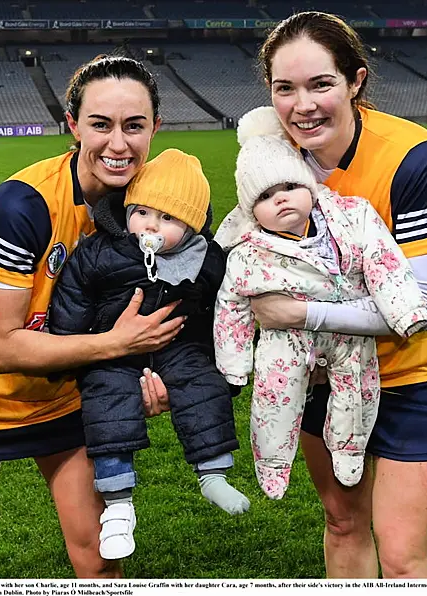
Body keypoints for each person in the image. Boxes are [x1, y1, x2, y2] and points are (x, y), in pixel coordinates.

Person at [0, 55, 180, 578]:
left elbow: (169, 311)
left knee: (100, 560)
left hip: (65, 397)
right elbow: (1, 348)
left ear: (155, 126)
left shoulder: (157, 208)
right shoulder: (24, 204)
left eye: (134, 126)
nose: (118, 143)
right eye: (100, 124)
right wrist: (118, 346)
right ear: (73, 125)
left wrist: (156, 379)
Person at [253, 11, 427, 578]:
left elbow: (423, 307)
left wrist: (301, 315)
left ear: (356, 81)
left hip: (413, 376)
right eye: (285, 88)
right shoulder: (270, 163)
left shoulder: (415, 158)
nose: (303, 105)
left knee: (401, 557)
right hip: (326, 376)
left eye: (321, 84)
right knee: (344, 524)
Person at [213, 107, 427, 498]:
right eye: (265, 196)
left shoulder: (352, 218)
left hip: (347, 335)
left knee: (357, 391)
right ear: (249, 211)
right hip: (288, 341)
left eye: (289, 188)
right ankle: (273, 464)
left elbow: (384, 261)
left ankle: (349, 450)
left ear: (308, 187)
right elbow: (231, 308)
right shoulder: (248, 253)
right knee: (274, 397)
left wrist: (404, 309)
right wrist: (234, 362)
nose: (280, 200)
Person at [49, 148, 250, 560]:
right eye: (142, 211)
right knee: (107, 398)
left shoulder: (207, 258)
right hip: (112, 349)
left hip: (179, 346)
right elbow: (73, 296)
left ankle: (213, 473)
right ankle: (118, 501)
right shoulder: (101, 251)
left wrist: (228, 361)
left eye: (168, 218)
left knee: (202, 382)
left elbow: (227, 305)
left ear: (192, 227)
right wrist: (67, 351)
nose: (151, 225)